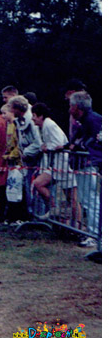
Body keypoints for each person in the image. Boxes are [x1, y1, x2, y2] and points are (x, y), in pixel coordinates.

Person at [68, 91, 101, 248]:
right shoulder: (83, 121)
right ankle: (93, 232)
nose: (69, 109)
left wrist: (79, 146)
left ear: (76, 106)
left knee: (91, 199)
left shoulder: (93, 120)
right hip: (85, 164)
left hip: (90, 164)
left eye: (70, 105)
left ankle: (95, 234)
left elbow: (96, 141)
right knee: (87, 199)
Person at [31, 103, 74, 224]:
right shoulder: (44, 126)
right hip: (54, 165)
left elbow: (58, 143)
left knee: (72, 198)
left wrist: (46, 148)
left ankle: (77, 224)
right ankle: (54, 208)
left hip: (63, 164)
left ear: (41, 116)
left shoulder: (49, 125)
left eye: (34, 115)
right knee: (38, 183)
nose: (32, 118)